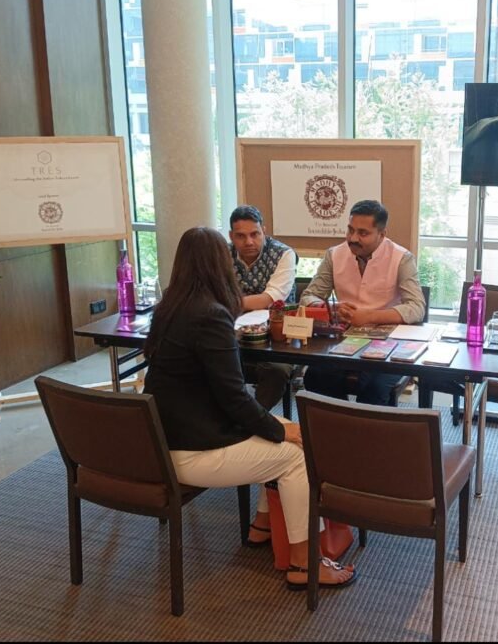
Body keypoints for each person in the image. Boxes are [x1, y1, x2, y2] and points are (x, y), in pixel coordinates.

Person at [143, 227, 354, 590]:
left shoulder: (168, 310)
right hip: (193, 451)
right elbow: (235, 399)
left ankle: (261, 524)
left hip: (162, 441)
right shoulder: (211, 316)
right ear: (218, 265)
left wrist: (276, 427)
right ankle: (305, 564)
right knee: (297, 452)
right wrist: (280, 431)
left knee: (281, 425)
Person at [300, 199, 426, 405]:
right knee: (316, 377)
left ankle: (364, 434)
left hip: (387, 343)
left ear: (382, 235)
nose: (353, 238)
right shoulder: (334, 254)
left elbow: (416, 307)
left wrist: (369, 316)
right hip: (342, 338)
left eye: (363, 233)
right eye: (350, 230)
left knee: (373, 388)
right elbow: (308, 297)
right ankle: (340, 430)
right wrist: (329, 308)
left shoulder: (401, 258)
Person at [228, 205, 296, 410]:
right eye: (240, 236)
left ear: (264, 231)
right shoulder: (221, 254)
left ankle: (255, 418)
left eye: (255, 234)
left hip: (277, 335)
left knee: (277, 369)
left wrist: (228, 301)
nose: (249, 241)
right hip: (232, 333)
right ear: (231, 236)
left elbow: (271, 298)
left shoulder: (283, 254)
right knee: (205, 357)